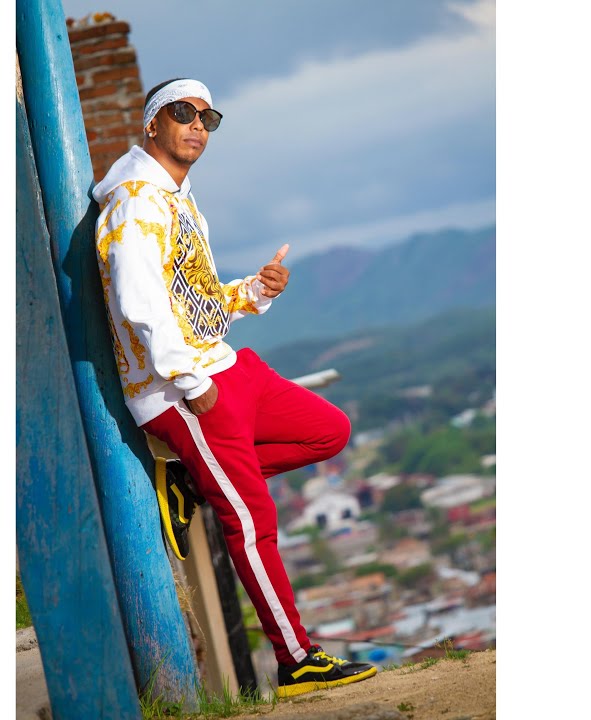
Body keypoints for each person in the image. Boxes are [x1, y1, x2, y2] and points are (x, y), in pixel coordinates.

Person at [90, 78, 378, 698]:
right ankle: (297, 661)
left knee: (329, 431)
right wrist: (189, 380)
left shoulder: (177, 197)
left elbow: (189, 299)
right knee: (251, 519)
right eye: (183, 113)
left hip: (228, 368)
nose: (197, 125)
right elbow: (138, 302)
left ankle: (195, 481)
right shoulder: (135, 200)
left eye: (208, 117)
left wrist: (253, 291)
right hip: (185, 392)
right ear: (152, 123)